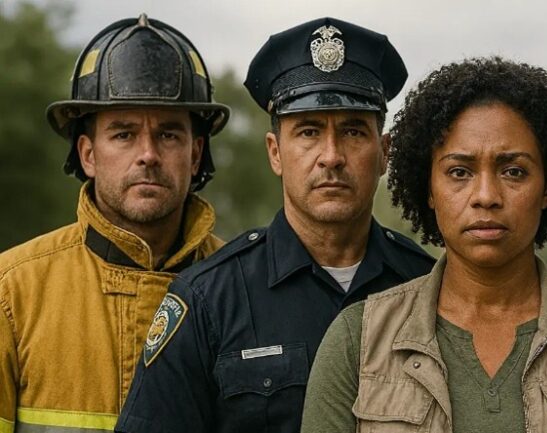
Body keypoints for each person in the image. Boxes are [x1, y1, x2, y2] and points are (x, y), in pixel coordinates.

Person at [300, 57, 547, 433]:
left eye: (513, 171)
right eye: (459, 172)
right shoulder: (357, 341)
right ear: (429, 189)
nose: (486, 196)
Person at [115, 17, 435, 433]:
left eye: (354, 131)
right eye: (308, 131)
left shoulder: (430, 288)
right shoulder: (209, 300)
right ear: (275, 153)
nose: (331, 156)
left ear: (384, 152)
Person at [0, 14, 229, 433]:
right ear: (87, 154)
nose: (147, 154)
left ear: (195, 155)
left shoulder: (242, 287)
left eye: (168, 135)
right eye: (123, 134)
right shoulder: (13, 292)